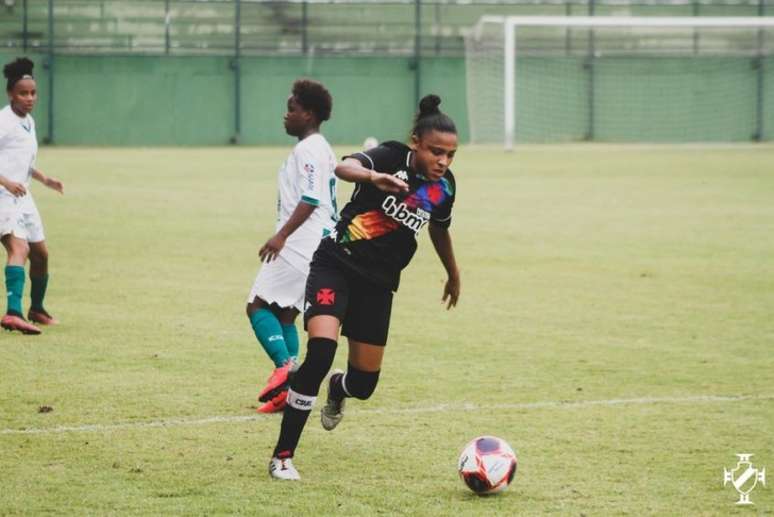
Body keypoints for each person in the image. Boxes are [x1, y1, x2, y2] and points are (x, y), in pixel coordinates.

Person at [268, 94, 461, 480]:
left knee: (365, 383)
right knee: (320, 353)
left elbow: (439, 229)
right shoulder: (390, 157)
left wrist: (453, 274)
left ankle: (339, 388)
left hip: (379, 285)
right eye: (435, 152)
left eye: (450, 155)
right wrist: (373, 177)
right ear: (415, 143)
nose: (442, 161)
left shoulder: (444, 188)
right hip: (336, 265)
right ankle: (282, 457)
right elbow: (343, 167)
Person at [246, 79, 337, 413]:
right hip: (318, 242)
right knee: (286, 313)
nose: (286, 116)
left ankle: (285, 367)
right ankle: (288, 392)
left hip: (302, 242)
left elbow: (311, 198)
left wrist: (281, 235)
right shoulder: (321, 147)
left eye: (292, 110)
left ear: (309, 114)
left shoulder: (309, 149)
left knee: (256, 305)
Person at [0, 58, 63, 335]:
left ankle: (36, 309)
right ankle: (13, 313)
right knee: (20, 250)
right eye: (23, 93)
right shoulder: (3, 121)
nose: (29, 98)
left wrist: (45, 179)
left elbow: (22, 160)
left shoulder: (29, 121)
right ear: (10, 93)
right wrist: (7, 182)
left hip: (23, 195)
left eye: (33, 93)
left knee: (41, 255)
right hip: (3, 196)